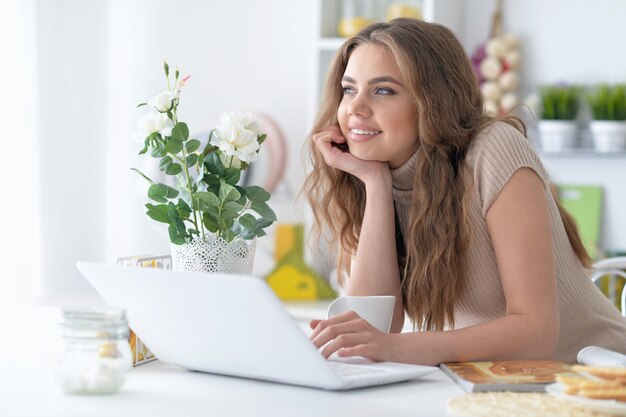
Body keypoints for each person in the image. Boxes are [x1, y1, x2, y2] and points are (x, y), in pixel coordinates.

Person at [303, 18, 626, 365]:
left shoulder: (493, 151)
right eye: (349, 89)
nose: (355, 108)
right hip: (491, 385)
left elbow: (537, 333)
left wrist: (396, 347)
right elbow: (372, 328)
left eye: (383, 90)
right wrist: (376, 185)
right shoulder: (375, 172)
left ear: (433, 101)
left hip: (597, 380)